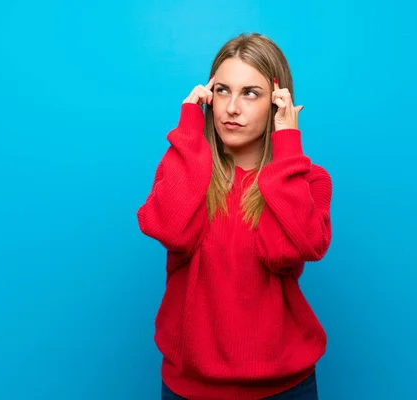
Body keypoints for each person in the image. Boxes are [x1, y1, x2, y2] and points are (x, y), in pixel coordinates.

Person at [137, 32, 333, 399]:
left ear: (277, 104)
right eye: (223, 90)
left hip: (285, 388)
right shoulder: (185, 167)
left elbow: (285, 252)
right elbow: (172, 230)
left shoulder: (309, 179)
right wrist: (189, 131)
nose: (231, 107)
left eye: (250, 93)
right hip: (189, 388)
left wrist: (287, 146)